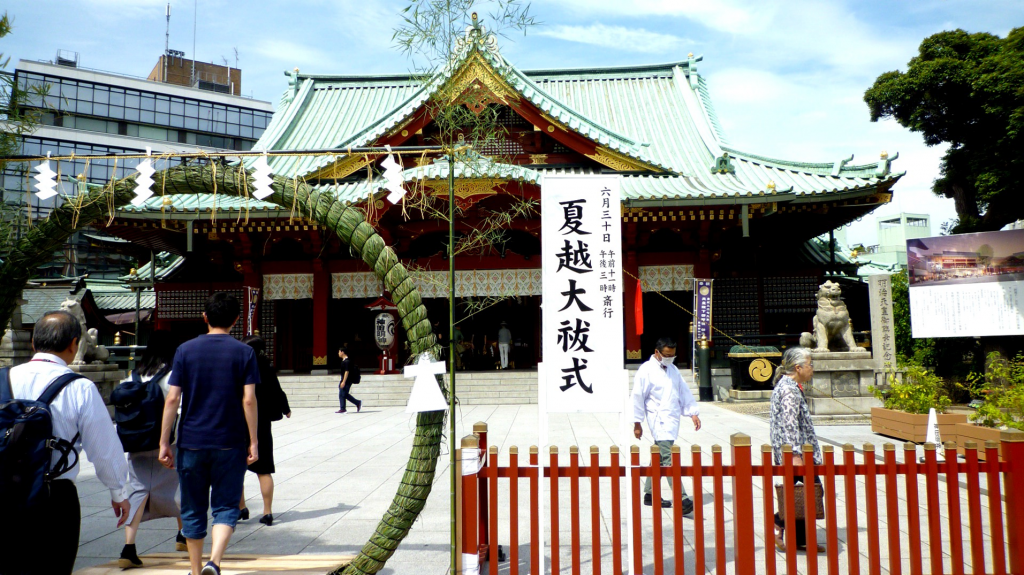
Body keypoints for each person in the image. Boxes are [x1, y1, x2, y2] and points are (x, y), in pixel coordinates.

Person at [0, 310, 130, 575]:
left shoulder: (2, 379)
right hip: (54, 497)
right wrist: (119, 492)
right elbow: (103, 448)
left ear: (34, 343)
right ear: (74, 344)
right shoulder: (80, 387)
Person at [159, 293, 260, 575]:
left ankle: (194, 569)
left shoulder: (185, 350)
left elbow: (172, 399)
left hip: (191, 441)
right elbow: (249, 400)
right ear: (236, 320)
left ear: (205, 317)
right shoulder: (244, 352)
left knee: (192, 507)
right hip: (230, 442)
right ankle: (214, 561)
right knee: (227, 505)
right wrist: (253, 441)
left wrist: (165, 441)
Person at [117, 330, 187, 569]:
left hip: (137, 443)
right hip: (167, 442)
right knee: (176, 486)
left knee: (138, 491)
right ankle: (184, 535)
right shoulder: (173, 375)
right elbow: (181, 405)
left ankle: (129, 547)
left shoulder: (133, 375)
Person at [631, 336, 701, 513]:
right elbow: (638, 396)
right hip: (658, 419)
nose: (670, 358)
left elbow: (683, 390)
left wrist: (693, 412)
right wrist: (637, 423)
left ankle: (649, 494)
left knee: (659, 458)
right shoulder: (646, 370)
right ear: (657, 352)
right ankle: (682, 498)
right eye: (666, 355)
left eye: (672, 355)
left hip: (671, 419)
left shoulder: (673, 369)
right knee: (669, 458)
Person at [769, 346, 825, 553]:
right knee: (809, 493)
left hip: (796, 452)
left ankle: (798, 538)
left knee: (801, 495)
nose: (812, 369)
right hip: (795, 454)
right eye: (810, 365)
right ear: (798, 367)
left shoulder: (790, 386)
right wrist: (794, 454)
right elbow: (789, 423)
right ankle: (778, 523)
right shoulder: (789, 390)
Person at [239, 335, 291, 526]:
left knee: (238, 469)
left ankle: (241, 508)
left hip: (241, 422)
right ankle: (267, 512)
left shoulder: (241, 368)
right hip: (262, 424)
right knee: (264, 469)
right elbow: (277, 390)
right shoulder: (267, 368)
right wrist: (286, 409)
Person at [336, 347, 362, 413]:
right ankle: (343, 408)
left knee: (344, 394)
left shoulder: (347, 361)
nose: (338, 353)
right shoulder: (344, 361)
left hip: (347, 380)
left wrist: (344, 381)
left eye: (339, 351)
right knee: (341, 394)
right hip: (343, 380)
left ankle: (357, 402)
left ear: (342, 352)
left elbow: (346, 372)